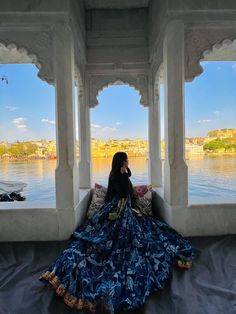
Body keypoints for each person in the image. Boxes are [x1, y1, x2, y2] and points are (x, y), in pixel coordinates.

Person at [40, 152, 195, 313]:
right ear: (121, 162)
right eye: (126, 160)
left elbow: (129, 191)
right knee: (117, 235)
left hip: (126, 207)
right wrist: (123, 178)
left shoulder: (122, 173)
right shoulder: (114, 176)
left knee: (147, 228)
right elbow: (121, 194)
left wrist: (127, 178)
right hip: (117, 208)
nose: (128, 162)